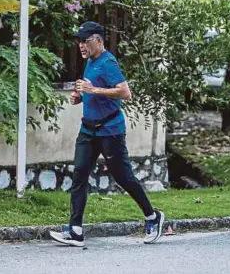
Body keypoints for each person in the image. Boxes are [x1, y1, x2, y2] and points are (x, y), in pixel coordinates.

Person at [49, 21, 165, 247]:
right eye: (79, 42)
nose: (81, 45)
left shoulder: (108, 62)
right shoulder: (91, 61)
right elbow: (93, 91)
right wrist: (80, 97)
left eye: (85, 41)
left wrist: (93, 90)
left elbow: (125, 92)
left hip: (109, 131)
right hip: (88, 129)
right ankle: (75, 230)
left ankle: (153, 217)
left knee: (123, 177)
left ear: (98, 41)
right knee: (80, 174)